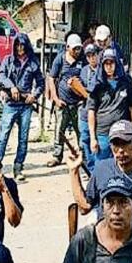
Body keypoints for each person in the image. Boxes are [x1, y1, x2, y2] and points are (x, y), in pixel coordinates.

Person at [0, 33, 44, 181]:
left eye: (22, 45)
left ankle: (18, 168)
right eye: (17, 45)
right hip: (10, 104)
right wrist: (11, 87)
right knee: (3, 137)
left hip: (26, 106)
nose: (20, 48)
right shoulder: (8, 60)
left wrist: (34, 96)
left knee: (23, 138)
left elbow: (41, 84)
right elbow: (1, 76)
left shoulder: (33, 62)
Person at [87, 47, 132, 162]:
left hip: (122, 133)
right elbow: (91, 111)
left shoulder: (126, 81)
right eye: (106, 63)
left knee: (124, 166)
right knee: (102, 168)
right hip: (103, 133)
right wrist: (92, 138)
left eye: (111, 63)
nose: (109, 67)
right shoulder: (97, 84)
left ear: (116, 63)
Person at [47, 33, 86, 167]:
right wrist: (55, 98)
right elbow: (51, 78)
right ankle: (57, 156)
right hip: (62, 102)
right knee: (59, 130)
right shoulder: (60, 59)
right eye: (74, 49)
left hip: (79, 103)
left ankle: (83, 156)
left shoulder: (83, 59)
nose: (77, 51)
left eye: (79, 48)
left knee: (81, 130)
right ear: (67, 47)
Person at [77, 43, 100, 171]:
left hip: (98, 112)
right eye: (89, 56)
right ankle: (91, 170)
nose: (92, 58)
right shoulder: (84, 70)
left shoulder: (103, 70)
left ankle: (98, 169)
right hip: (85, 111)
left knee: (98, 141)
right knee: (85, 140)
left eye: (94, 55)